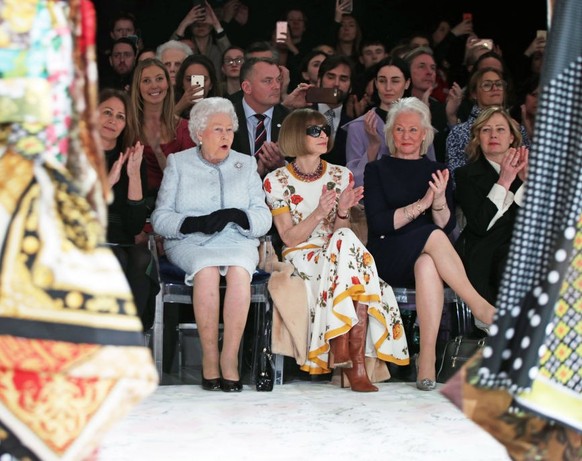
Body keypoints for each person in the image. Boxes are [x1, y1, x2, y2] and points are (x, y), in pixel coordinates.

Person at [263, 108, 409, 392]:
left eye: (325, 130)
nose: (323, 135)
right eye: (314, 131)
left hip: (339, 252)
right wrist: (319, 212)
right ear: (295, 135)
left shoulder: (341, 175)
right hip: (303, 254)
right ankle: (353, 364)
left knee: (343, 238)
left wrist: (342, 211)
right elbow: (289, 238)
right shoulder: (276, 180)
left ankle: (346, 352)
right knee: (357, 264)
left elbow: (344, 229)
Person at [363, 97, 496, 391]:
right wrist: (422, 203)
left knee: (427, 263)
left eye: (413, 130)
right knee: (432, 239)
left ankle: (426, 360)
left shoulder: (438, 170)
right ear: (390, 134)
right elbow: (380, 224)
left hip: (431, 256)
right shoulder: (376, 170)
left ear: (424, 134)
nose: (406, 136)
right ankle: (480, 307)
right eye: (400, 130)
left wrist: (437, 204)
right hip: (389, 253)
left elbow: (446, 225)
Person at [151, 97, 272, 392]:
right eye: (218, 130)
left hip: (236, 239)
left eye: (230, 130)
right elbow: (160, 217)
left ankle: (229, 358)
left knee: (239, 272)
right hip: (191, 242)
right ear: (199, 132)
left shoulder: (246, 164)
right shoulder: (179, 163)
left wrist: (238, 216)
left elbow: (263, 215)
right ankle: (209, 358)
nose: (226, 136)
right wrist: (191, 224)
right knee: (205, 271)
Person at [98, 88, 159, 331]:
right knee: (117, 260)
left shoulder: (133, 158)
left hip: (119, 238)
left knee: (142, 259)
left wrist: (133, 175)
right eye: (107, 112)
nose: (113, 120)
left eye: (121, 116)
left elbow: (134, 226)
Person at [454, 107, 527, 306]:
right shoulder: (465, 175)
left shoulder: (527, 172)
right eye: (486, 130)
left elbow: (539, 223)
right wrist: (504, 181)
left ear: (512, 137)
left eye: (500, 129)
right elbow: (480, 225)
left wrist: (528, 183)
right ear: (478, 137)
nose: (493, 134)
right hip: (487, 253)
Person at [126, 58, 196, 209]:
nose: (154, 86)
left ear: (168, 84)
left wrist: (158, 151)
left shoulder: (185, 128)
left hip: (179, 207)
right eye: (146, 81)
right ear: (137, 87)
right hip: (138, 207)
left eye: (159, 79)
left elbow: (186, 183)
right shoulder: (128, 127)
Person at [446, 67, 531, 186]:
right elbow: (456, 181)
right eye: (487, 85)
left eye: (499, 84)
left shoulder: (517, 128)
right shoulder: (460, 131)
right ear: (474, 93)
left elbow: (528, 169)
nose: (495, 88)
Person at [343, 56, 415, 188]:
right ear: (375, 83)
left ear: (407, 83)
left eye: (395, 81)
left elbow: (430, 171)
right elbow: (353, 181)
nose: (388, 87)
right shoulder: (358, 126)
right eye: (382, 81)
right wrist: (373, 146)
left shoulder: (420, 123)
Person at [230, 57, 289, 177]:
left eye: (278, 80)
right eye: (268, 81)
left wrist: (282, 165)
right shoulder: (225, 118)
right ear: (247, 87)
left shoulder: (290, 120)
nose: (277, 86)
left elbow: (304, 169)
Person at [169, 2, 231, 80]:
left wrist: (216, 24)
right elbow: (167, 52)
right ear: (190, 25)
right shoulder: (185, 49)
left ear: (211, 26)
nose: (200, 25)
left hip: (216, 90)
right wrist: (184, 24)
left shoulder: (218, 50)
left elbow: (231, 55)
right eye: (196, 23)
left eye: (204, 22)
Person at [174, 54, 221, 119]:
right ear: (182, 83)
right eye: (189, 79)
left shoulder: (223, 109)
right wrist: (180, 107)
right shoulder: (167, 105)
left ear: (211, 84)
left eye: (203, 79)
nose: (195, 85)